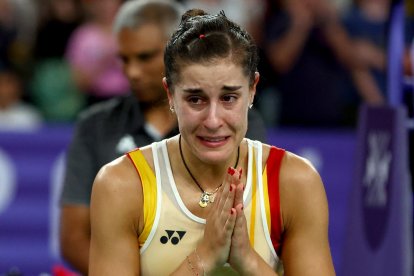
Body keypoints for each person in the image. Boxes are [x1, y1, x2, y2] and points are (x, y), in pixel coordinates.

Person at [89, 8, 335, 275]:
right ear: (170, 94)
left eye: (229, 98)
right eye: (196, 99)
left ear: (252, 90)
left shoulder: (294, 181)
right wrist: (205, 256)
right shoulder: (122, 185)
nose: (213, 120)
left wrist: (247, 260)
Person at [59, 1, 267, 274]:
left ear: (175, 51)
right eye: (124, 59)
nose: (131, 72)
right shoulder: (95, 126)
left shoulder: (237, 126)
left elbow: (251, 226)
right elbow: (73, 238)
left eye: (145, 57)